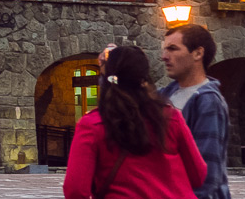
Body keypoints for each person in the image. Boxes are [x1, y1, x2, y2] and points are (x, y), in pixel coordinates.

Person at [63, 45, 206, 199]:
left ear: (108, 79)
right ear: (144, 79)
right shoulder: (170, 117)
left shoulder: (93, 124)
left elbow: (75, 190)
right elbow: (198, 174)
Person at [160, 24, 232, 199]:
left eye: (173, 49)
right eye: (164, 49)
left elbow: (207, 169)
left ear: (198, 53)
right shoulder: (164, 96)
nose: (164, 56)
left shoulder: (208, 101)